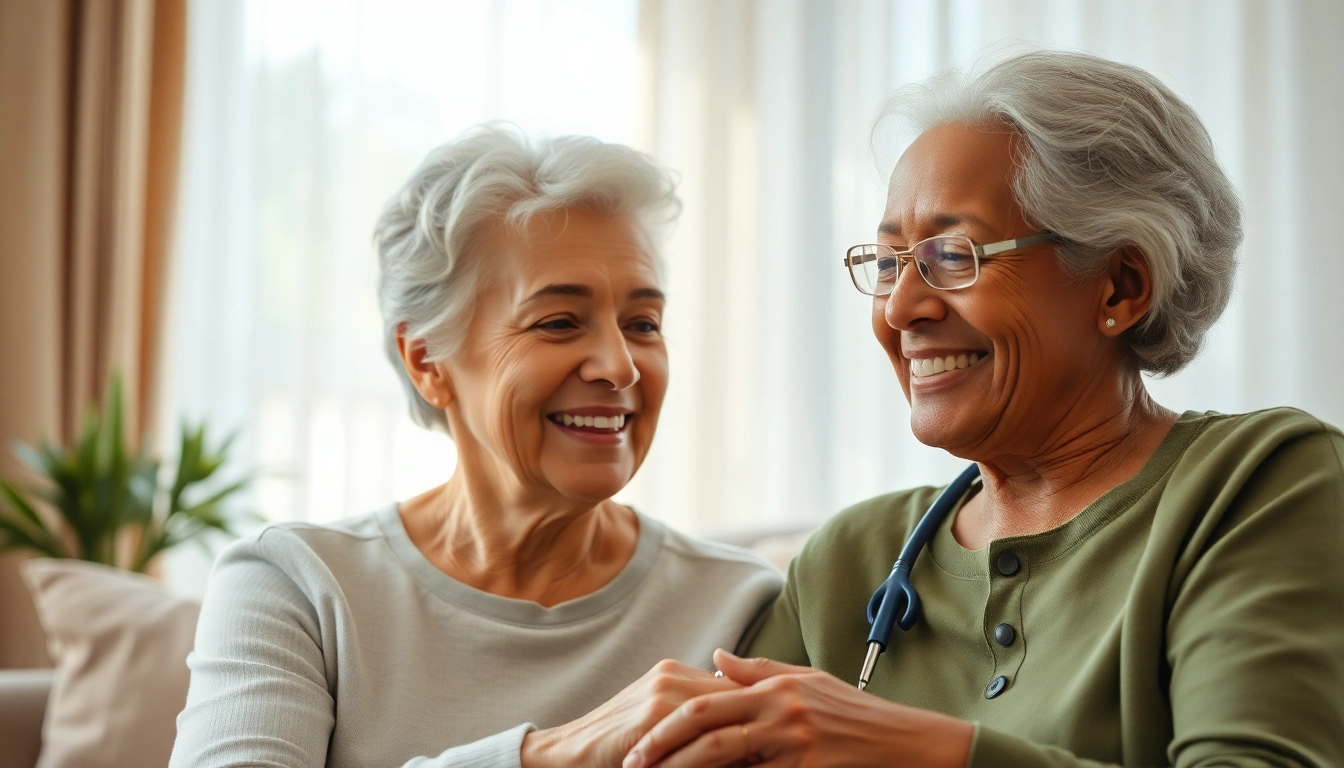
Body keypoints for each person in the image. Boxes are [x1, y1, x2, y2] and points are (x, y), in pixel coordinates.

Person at [622, 51, 1344, 768]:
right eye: (887, 262)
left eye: (954, 254)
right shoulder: (847, 562)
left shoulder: (1260, 484)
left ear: (1121, 286)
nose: (901, 307)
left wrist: (916, 748)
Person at [169, 125, 782, 768]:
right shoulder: (296, 586)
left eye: (643, 324)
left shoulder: (742, 607)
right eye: (559, 322)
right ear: (427, 360)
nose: (620, 366)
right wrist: (549, 756)